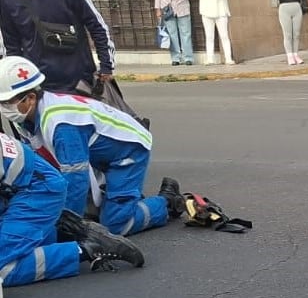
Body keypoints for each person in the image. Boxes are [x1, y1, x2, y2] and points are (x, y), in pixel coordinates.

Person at [0, 57, 184, 236]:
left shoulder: (62, 124)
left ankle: (167, 202)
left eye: (6, 103)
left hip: (128, 152)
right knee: (92, 212)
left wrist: (68, 226)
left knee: (116, 225)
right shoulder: (26, 118)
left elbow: (75, 177)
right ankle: (122, 199)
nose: (3, 108)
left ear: (30, 98)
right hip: (100, 152)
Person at [1, 133, 144, 293]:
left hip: (36, 190)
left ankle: (87, 249)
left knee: (4, 269)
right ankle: (59, 232)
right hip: (27, 185)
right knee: (15, 244)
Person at [154, 0, 198, 66]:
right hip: (168, 9)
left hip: (183, 8)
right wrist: (158, 9)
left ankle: (188, 57)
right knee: (172, 34)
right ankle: (176, 58)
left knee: (186, 33)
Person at [195, 0, 234, 65]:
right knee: (209, 36)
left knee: (224, 36)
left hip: (220, 12)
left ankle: (228, 58)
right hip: (206, 13)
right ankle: (210, 59)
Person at [274, 0, 305, 65]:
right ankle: (289, 55)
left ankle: (296, 54)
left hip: (296, 8)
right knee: (287, 34)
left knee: (296, 34)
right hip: (284, 9)